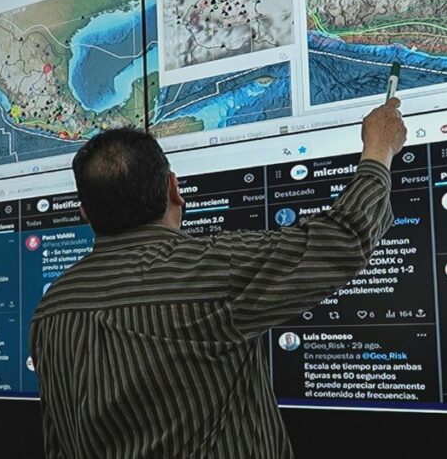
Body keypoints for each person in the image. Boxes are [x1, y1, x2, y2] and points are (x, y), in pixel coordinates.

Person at [29, 98, 407, 458]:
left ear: (85, 212)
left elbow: (58, 440)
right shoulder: (209, 271)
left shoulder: (51, 308)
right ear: (173, 189)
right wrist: (379, 149)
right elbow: (342, 238)